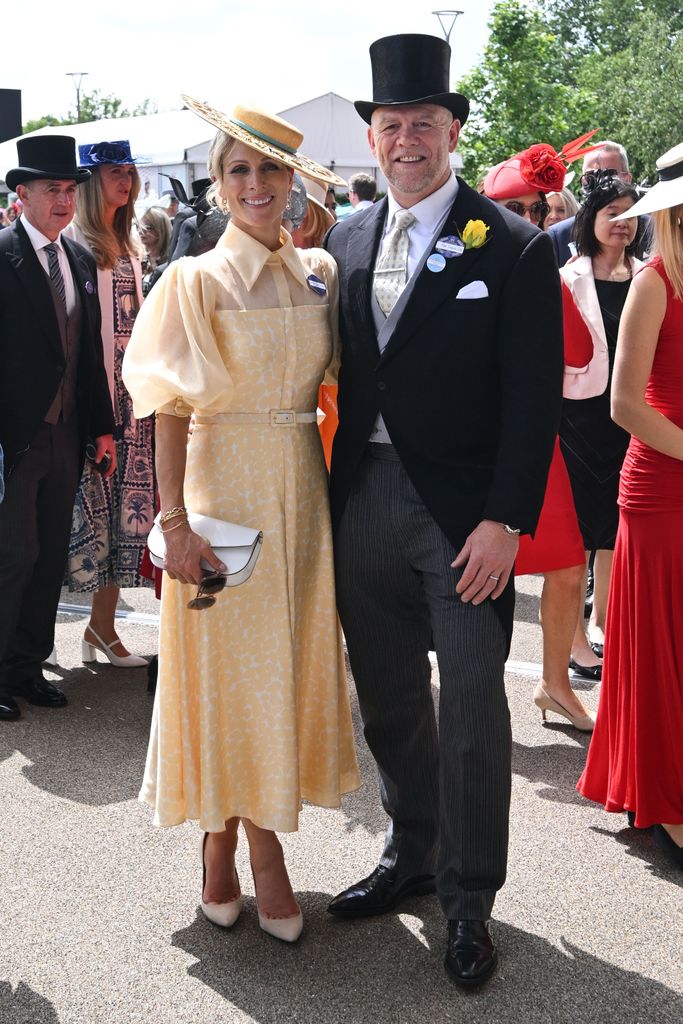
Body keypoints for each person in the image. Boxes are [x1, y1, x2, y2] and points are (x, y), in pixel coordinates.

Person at [323, 34, 563, 987]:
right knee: (386, 703)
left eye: (424, 122)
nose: (407, 139)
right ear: (373, 138)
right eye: (391, 124)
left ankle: (469, 902)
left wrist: (506, 518)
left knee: (468, 710)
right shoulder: (339, 241)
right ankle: (409, 854)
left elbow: (532, 396)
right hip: (363, 504)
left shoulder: (510, 244)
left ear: (453, 132)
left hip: (466, 521)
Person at [122, 97, 360, 943]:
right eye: (237, 169)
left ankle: (222, 844)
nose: (254, 184)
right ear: (218, 184)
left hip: (301, 496)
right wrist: (175, 523)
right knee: (223, 679)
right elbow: (170, 411)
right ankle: (259, 857)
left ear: (294, 181)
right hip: (222, 503)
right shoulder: (192, 279)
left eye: (269, 169)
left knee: (280, 676)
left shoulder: (320, 273)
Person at [578, 142, 683, 869]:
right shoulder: (655, 281)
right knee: (660, 649)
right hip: (660, 491)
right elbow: (623, 404)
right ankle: (664, 803)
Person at [483, 139, 600, 731]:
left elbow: (579, 350)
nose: (532, 220)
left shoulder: (532, 270)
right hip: (486, 443)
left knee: (565, 562)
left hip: (529, 439)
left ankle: (553, 682)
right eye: (523, 209)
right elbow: (578, 351)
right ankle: (531, 686)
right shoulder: (535, 269)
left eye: (538, 210)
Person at [0, 136, 115, 721]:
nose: (65, 201)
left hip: (66, 435)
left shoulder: (78, 260)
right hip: (14, 439)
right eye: (53, 190)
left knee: (48, 558)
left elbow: (87, 354)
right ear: (21, 196)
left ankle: (27, 666)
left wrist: (102, 427)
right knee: (12, 554)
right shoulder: (1, 254)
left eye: (71, 190)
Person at [64, 139, 154, 668]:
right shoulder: (74, 241)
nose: (126, 181)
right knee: (79, 521)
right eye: (114, 173)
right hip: (92, 403)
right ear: (92, 182)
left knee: (124, 523)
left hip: (131, 403)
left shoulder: (131, 246)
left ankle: (102, 630)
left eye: (129, 172)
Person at [559, 174, 644, 677]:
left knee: (613, 527)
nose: (622, 222)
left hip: (631, 414)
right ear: (589, 218)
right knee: (577, 533)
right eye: (612, 212)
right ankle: (572, 640)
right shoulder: (568, 276)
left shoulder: (648, 275)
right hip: (578, 415)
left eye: (630, 213)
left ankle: (602, 623)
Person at [547, 140, 632, 265]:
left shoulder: (648, 229)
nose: (599, 183)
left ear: (627, 179)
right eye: (590, 176)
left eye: (607, 174)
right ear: (582, 180)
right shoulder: (559, 235)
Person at [138, 205, 172, 295]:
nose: (141, 231)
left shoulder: (171, 260)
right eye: (139, 226)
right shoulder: (137, 258)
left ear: (161, 229)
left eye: (148, 227)